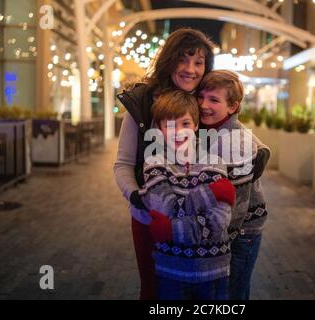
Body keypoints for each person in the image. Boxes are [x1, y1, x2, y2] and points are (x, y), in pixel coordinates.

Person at [114, 28, 270, 300]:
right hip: (154, 215)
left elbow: (232, 124)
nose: (190, 69)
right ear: (169, 60)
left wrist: (261, 148)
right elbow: (123, 164)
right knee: (155, 291)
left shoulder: (201, 100)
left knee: (201, 293)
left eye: (198, 62)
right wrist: (136, 195)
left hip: (202, 220)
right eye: (183, 59)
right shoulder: (142, 104)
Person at [135, 90, 236, 300]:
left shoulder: (215, 162)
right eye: (169, 125)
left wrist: (170, 230)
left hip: (213, 273)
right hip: (171, 271)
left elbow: (219, 223)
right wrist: (210, 193)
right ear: (160, 129)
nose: (178, 132)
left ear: (197, 125)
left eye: (185, 124)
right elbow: (166, 209)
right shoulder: (154, 164)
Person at [197, 70, 268, 300]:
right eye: (201, 97)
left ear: (233, 107)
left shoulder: (236, 143)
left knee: (230, 294)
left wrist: (214, 241)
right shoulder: (212, 130)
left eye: (214, 100)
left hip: (240, 235)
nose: (203, 105)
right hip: (230, 232)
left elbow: (236, 208)